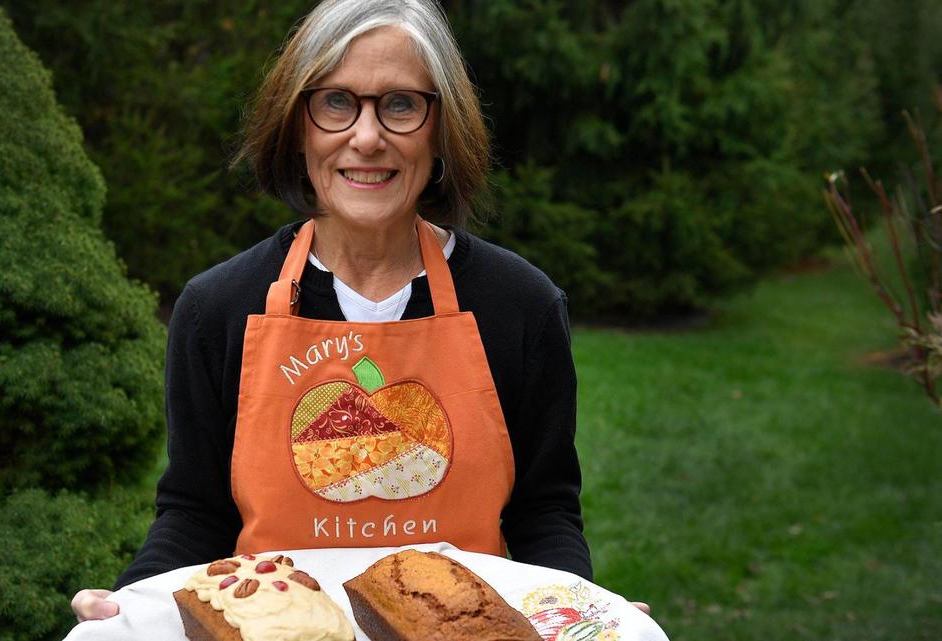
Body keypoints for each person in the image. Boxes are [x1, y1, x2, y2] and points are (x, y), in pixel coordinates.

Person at [72, 0, 644, 622]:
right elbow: (195, 511)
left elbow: (544, 511)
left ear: (441, 128)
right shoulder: (218, 309)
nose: (366, 137)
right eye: (336, 102)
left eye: (400, 104)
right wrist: (127, 608)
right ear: (297, 126)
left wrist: (580, 614)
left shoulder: (520, 306)